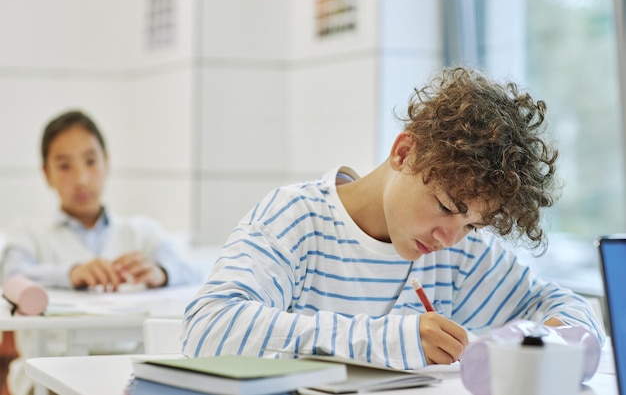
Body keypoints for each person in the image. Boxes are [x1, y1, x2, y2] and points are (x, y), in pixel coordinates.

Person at [181, 67, 605, 369]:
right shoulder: (294, 219)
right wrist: (392, 339)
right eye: (445, 206)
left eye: (473, 225)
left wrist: (556, 336)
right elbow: (210, 327)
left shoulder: (463, 254)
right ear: (404, 153)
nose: (449, 238)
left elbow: (565, 305)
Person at [0, 110, 204, 395]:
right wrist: (70, 273)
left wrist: (162, 272)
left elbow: (199, 271)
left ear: (107, 163)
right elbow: (13, 276)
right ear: (46, 173)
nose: (82, 178)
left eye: (91, 161)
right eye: (64, 166)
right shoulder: (27, 233)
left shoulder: (142, 232)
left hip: (131, 374)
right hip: (47, 377)